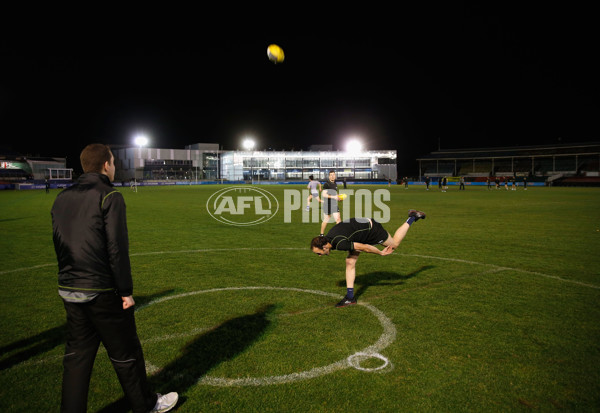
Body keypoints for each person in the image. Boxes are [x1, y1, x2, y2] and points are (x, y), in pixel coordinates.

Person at [51, 144, 178, 413]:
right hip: (102, 290)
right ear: (106, 165)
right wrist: (125, 291)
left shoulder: (61, 197)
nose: (114, 167)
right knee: (125, 353)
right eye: (113, 162)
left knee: (76, 358)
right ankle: (146, 405)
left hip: (69, 287)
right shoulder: (110, 196)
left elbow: (60, 241)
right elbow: (116, 248)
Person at [310, 210, 426, 307]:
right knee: (350, 262)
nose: (320, 256)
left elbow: (364, 247)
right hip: (360, 229)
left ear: (325, 246)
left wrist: (380, 253)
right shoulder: (330, 238)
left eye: (319, 253)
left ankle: (412, 217)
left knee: (394, 244)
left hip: (371, 229)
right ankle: (350, 298)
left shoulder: (340, 243)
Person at [320, 170, 342, 235]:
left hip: (334, 204)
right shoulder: (326, 184)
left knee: (338, 219)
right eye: (331, 175)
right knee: (326, 219)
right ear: (329, 176)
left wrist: (338, 197)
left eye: (333, 175)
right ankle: (321, 234)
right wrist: (334, 197)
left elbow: (335, 194)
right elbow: (324, 194)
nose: (332, 176)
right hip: (327, 204)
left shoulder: (335, 184)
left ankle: (338, 234)